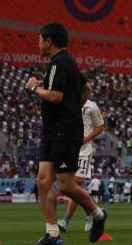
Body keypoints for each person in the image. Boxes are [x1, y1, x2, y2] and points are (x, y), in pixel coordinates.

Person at [24, 22, 107, 244]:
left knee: (65, 185)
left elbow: (55, 96)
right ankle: (52, 234)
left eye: (40, 38)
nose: (38, 42)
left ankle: (98, 213)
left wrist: (34, 87)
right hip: (52, 130)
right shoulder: (64, 61)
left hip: (64, 130)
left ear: (48, 41)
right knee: (43, 180)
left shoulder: (59, 63)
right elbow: (86, 88)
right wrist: (75, 105)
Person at [59, 79, 105, 233]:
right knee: (71, 186)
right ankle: (90, 211)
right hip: (68, 149)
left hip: (84, 150)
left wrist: (86, 138)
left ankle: (66, 220)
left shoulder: (91, 106)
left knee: (76, 183)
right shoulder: (68, 103)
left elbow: (100, 127)